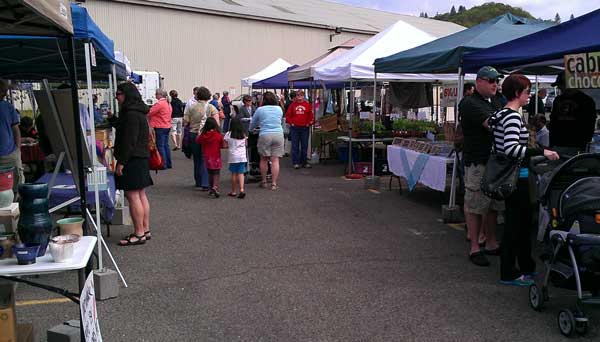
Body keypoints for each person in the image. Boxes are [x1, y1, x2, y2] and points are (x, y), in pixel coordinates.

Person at [488, 74, 559, 285]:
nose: (529, 95)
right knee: (515, 225)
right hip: (515, 177)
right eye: (527, 91)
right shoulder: (511, 116)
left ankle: (526, 266)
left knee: (521, 222)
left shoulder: (504, 114)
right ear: (517, 93)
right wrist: (541, 151)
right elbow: (510, 149)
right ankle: (509, 272)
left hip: (516, 175)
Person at [458, 66, 504, 267]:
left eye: (497, 81)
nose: (495, 84)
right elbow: (493, 124)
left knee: (493, 205)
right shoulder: (470, 103)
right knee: (475, 204)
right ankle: (475, 247)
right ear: (479, 82)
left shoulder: (494, 101)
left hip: (494, 162)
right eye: (491, 80)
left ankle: (491, 242)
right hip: (477, 161)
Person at [108, 82, 154, 246]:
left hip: (133, 159)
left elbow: (129, 141)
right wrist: (113, 119)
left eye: (119, 93)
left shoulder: (131, 114)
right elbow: (125, 130)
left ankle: (139, 233)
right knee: (140, 194)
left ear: (127, 94)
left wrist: (121, 162)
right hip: (140, 157)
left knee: (133, 195)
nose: (116, 96)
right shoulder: (136, 111)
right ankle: (145, 230)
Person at [549, 71, 597, 151]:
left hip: (577, 146)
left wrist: (584, 142)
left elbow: (589, 123)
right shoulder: (558, 100)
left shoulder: (586, 101)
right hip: (559, 145)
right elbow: (553, 121)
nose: (559, 88)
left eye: (561, 84)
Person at [183, 86, 220, 190]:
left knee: (197, 158)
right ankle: (206, 182)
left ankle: (198, 181)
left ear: (197, 96)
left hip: (193, 134)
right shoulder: (211, 108)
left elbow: (185, 121)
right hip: (207, 135)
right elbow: (217, 123)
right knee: (205, 158)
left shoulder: (191, 107)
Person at [250, 91, 284, 190]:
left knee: (264, 159)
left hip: (265, 134)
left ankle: (264, 181)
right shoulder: (279, 109)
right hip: (278, 134)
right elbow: (280, 121)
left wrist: (251, 130)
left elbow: (253, 123)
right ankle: (274, 184)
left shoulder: (260, 110)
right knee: (275, 160)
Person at [0, 79, 23, 194]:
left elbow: (16, 129)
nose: (5, 94)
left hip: (10, 153)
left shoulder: (8, 107)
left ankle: (17, 205)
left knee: (17, 183)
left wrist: (17, 150)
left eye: (5, 91)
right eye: (3, 91)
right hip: (9, 153)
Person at [285, 90, 314, 169]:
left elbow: (311, 116)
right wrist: (292, 123)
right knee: (295, 146)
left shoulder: (307, 105)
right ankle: (296, 162)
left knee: (304, 145)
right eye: (298, 95)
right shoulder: (292, 105)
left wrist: (309, 123)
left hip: (305, 128)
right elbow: (288, 116)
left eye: (301, 95)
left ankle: (304, 162)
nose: (299, 97)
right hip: (295, 128)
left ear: (303, 96)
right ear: (296, 96)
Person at [196, 117, 223, 198]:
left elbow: (197, 141)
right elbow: (222, 145)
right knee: (216, 172)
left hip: (207, 156)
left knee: (210, 173)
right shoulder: (217, 135)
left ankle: (211, 188)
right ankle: (215, 187)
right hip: (216, 156)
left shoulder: (204, 135)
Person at [147, 88, 172, 169]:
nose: (155, 95)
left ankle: (162, 163)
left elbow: (150, 112)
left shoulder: (159, 104)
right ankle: (168, 163)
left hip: (160, 126)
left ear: (159, 95)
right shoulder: (168, 103)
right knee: (165, 145)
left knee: (160, 146)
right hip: (167, 125)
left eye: (156, 94)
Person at [223, 118, 247, 199]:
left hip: (233, 156)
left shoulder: (228, 134)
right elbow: (246, 143)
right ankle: (242, 189)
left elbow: (225, 145)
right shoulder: (243, 134)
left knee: (234, 173)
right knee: (241, 173)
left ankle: (233, 191)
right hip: (242, 156)